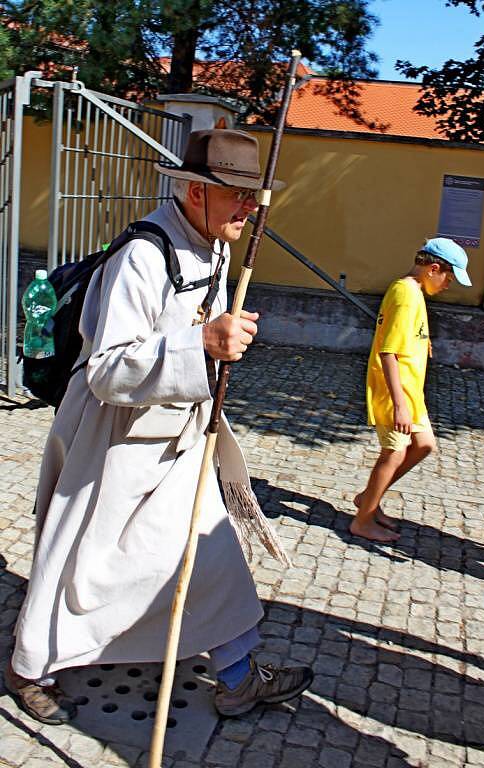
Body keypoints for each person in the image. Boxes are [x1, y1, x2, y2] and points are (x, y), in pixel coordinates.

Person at [4, 129, 313, 724]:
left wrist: (213, 349)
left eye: (253, 198)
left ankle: (237, 674)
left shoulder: (216, 246)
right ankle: (29, 668)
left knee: (210, 555)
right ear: (197, 191)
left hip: (180, 437)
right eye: (238, 197)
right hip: (115, 442)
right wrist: (201, 344)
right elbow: (106, 369)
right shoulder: (142, 256)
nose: (249, 211)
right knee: (79, 561)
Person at [351, 237, 472, 543]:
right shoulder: (406, 293)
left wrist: (423, 341)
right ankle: (362, 521)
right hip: (397, 392)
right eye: (448, 278)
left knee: (425, 444)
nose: (448, 286)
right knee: (394, 452)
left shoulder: (414, 291)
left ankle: (369, 498)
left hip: (411, 391)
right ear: (433, 269)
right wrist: (399, 403)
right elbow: (388, 352)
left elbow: (403, 333)